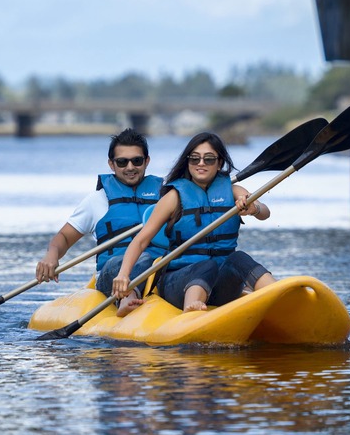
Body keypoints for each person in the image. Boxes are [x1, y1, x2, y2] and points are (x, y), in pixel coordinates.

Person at [112, 131, 274, 313]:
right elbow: (141, 240)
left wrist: (254, 208)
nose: (201, 164)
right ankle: (192, 309)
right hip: (179, 282)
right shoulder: (173, 197)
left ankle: (278, 294)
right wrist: (123, 274)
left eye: (209, 159)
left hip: (221, 284)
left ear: (219, 162)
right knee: (206, 265)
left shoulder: (234, 190)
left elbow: (264, 213)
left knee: (239, 258)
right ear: (188, 162)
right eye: (195, 159)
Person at [36, 128, 162, 317]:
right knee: (142, 258)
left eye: (137, 161)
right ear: (111, 164)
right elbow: (63, 236)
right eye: (122, 162)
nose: (130, 167)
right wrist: (52, 255)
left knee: (157, 260)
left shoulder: (166, 195)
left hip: (158, 269)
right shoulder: (96, 201)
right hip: (112, 274)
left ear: (147, 161)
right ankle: (126, 297)